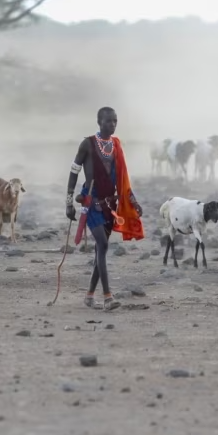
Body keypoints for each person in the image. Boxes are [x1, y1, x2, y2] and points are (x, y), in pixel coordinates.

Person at [66, 106, 145, 310]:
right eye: (109, 121)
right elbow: (73, 173)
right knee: (102, 245)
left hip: (110, 205)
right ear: (99, 122)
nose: (113, 124)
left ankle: (89, 295)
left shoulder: (116, 145)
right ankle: (108, 296)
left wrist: (133, 201)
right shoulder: (87, 144)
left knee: (100, 249)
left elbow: (123, 179)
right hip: (91, 203)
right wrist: (68, 203)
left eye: (115, 121)